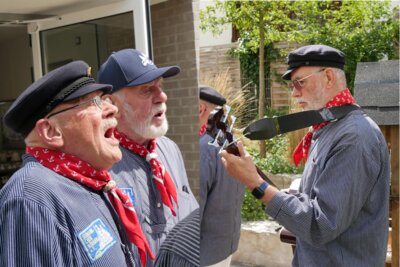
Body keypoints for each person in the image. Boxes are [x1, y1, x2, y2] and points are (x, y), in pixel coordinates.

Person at [220, 44, 390, 267]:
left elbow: (320, 225)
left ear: (328, 77)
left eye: (299, 82)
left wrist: (256, 183)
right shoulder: (330, 128)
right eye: (291, 85)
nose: (294, 92)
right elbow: (317, 204)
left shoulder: (353, 137)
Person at [0, 61, 142, 266]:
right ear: (51, 132)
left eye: (104, 99)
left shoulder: (88, 182)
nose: (112, 109)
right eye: (93, 102)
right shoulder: (31, 197)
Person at [97, 48, 199, 266]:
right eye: (146, 90)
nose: (162, 96)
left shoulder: (170, 149)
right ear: (111, 104)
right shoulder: (98, 164)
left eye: (160, 86)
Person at [198, 85, 245, 267]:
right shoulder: (230, 143)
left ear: (201, 109)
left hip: (203, 254)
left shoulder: (203, 148)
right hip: (224, 247)